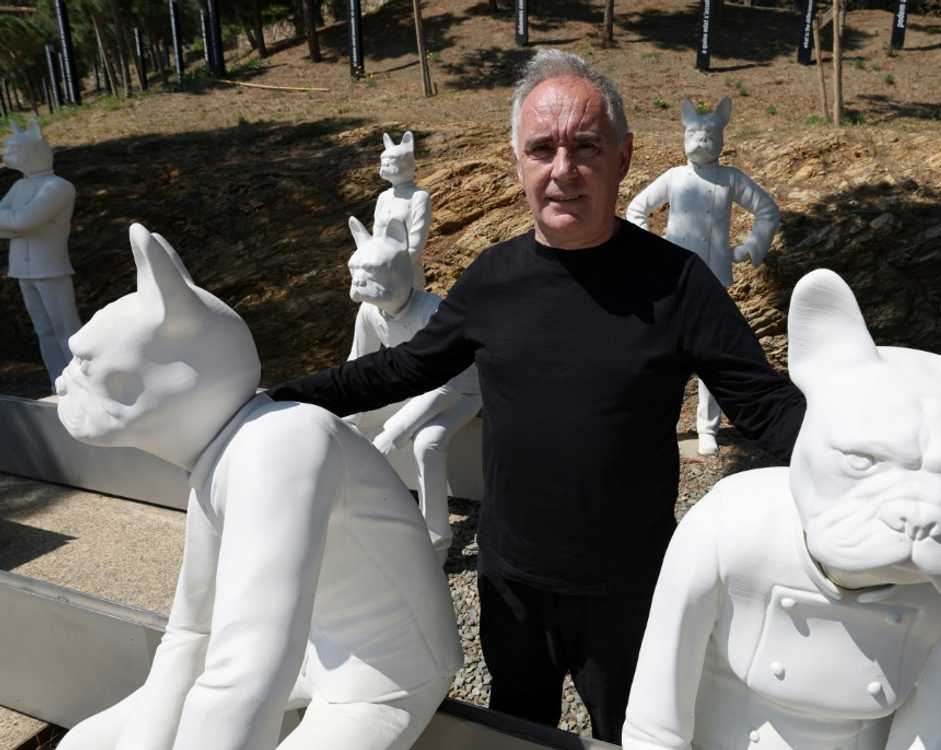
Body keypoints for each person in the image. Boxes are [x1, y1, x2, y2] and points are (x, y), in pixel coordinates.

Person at [268, 49, 806, 743]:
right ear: (518, 161)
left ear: (622, 157)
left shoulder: (678, 286)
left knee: (633, 733)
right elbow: (401, 369)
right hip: (511, 582)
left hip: (630, 588)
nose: (563, 170)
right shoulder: (494, 280)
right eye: (542, 148)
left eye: (585, 147)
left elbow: (764, 404)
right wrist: (275, 398)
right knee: (517, 728)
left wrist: (893, 470)